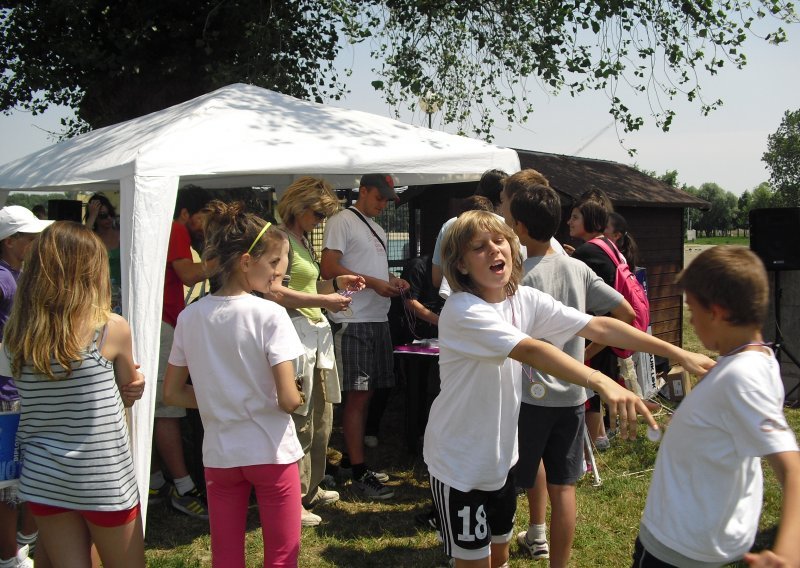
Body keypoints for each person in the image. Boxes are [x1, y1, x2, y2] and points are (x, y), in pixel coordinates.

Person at [424, 210, 713, 568]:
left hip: (501, 460)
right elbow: (531, 349)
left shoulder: (522, 299)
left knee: (499, 556)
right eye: (479, 247)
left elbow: (598, 326)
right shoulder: (462, 309)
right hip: (459, 465)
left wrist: (677, 352)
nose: (495, 250)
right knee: (473, 563)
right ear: (461, 265)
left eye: (499, 241)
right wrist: (599, 379)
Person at [633, 246, 800, 568]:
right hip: (703, 540)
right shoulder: (756, 359)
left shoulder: (742, 377)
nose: (691, 320)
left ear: (718, 312)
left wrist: (789, 554)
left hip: (678, 551)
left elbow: (791, 468)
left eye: (693, 310)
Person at [163, 201, 305, 567]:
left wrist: (217, 399)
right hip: (271, 451)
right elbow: (289, 399)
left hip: (221, 456)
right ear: (245, 262)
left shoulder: (190, 316)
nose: (280, 271)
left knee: (225, 556)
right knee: (281, 556)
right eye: (274, 262)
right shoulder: (271, 314)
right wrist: (296, 395)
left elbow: (173, 392)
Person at [506, 180, 634, 567]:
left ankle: (497, 553)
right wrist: (584, 360)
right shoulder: (578, 268)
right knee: (565, 487)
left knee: (508, 482)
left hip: (528, 397)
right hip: (574, 398)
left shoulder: (514, 277)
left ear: (521, 228)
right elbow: (626, 314)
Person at [3, 222, 145, 568]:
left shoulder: (16, 337)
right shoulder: (109, 328)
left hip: (43, 476)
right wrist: (133, 386)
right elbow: (127, 392)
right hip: (103, 478)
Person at [273, 176, 364, 526]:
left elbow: (310, 285)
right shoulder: (279, 240)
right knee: (300, 421)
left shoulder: (301, 240)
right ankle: (292, 498)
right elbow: (276, 293)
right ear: (297, 207)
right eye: (316, 214)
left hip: (314, 337)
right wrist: (325, 298)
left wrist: (337, 284)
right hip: (295, 338)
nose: (320, 221)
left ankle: (311, 486)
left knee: (322, 419)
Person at [320, 173, 409, 500]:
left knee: (367, 393)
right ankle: (358, 473)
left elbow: (371, 268)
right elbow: (329, 267)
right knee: (357, 396)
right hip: (352, 318)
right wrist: (374, 283)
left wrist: (392, 279)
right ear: (364, 190)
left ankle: (349, 462)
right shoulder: (343, 220)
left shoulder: (379, 230)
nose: (383, 204)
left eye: (387, 199)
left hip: (375, 318)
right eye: (379, 197)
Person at [149, 187, 210, 519]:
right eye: (203, 217)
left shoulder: (166, 228)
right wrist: (226, 262)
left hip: (162, 321)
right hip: (162, 324)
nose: (204, 225)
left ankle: (158, 481)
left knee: (160, 406)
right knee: (167, 409)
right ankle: (184, 488)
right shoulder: (174, 228)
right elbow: (188, 273)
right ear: (186, 213)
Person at [0, 206, 51, 568]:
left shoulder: (21, 275)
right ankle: (10, 557)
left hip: (23, 392)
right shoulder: (3, 279)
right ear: (9, 241)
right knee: (6, 487)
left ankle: (24, 543)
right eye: (29, 237)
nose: (36, 242)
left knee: (25, 478)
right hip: (6, 398)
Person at [568, 189, 617, 449]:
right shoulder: (605, 245)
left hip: (598, 327)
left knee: (589, 379)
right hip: (611, 326)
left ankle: (597, 439)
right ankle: (602, 435)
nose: (569, 222)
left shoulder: (586, 252)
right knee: (599, 378)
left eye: (575, 217)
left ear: (589, 220)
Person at [84, 193, 122, 312]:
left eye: (111, 214)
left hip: (121, 294)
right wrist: (92, 216)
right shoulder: (92, 237)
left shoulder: (122, 233)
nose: (109, 218)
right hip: (98, 294)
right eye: (103, 216)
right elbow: (81, 241)